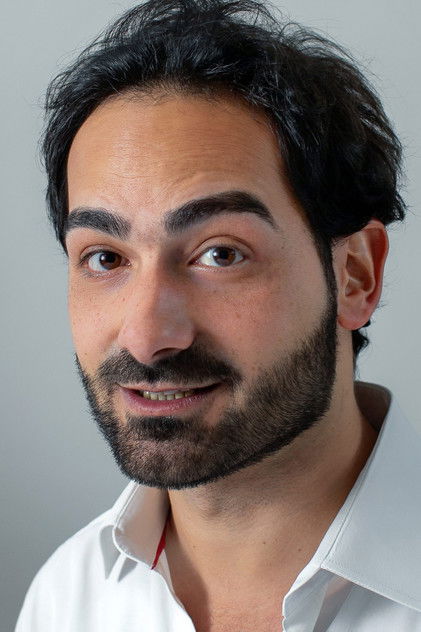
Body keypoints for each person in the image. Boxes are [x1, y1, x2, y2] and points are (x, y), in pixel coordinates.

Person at [15, 0, 421, 630]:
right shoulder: (67, 598)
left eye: (220, 253)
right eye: (105, 258)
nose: (147, 337)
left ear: (355, 276)